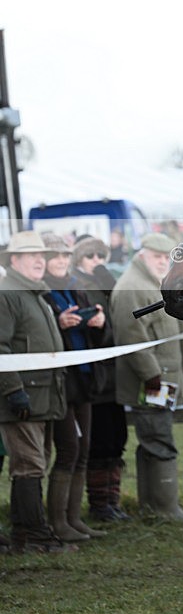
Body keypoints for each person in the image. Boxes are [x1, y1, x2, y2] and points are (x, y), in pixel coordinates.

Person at [110, 233, 183, 520]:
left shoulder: (153, 283)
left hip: (160, 381)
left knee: (153, 438)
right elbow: (130, 337)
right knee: (158, 438)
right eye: (157, 256)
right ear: (141, 255)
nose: (163, 262)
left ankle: (153, 505)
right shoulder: (132, 287)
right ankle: (165, 508)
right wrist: (151, 375)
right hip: (151, 383)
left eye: (166, 257)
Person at [0, 231, 72, 554]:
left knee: (34, 464)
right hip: (23, 397)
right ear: (14, 260)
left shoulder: (34, 294)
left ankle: (23, 534)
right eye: (32, 256)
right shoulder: (7, 294)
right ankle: (35, 536)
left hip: (43, 395)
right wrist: (13, 390)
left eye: (42, 255)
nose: (40, 261)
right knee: (29, 465)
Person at [42, 233, 107, 541]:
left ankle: (74, 519)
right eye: (54, 256)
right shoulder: (41, 293)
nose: (60, 261)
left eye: (64, 256)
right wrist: (59, 323)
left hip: (83, 380)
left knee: (83, 450)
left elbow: (102, 339)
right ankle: (58, 523)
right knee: (69, 449)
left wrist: (99, 323)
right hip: (58, 383)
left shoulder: (76, 289)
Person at [70, 236, 129, 522]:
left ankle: (113, 500)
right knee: (101, 440)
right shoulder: (77, 286)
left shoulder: (107, 281)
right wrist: (100, 326)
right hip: (95, 374)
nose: (97, 261)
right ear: (79, 259)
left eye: (100, 255)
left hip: (115, 372)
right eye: (90, 256)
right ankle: (99, 504)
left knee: (118, 437)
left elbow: (122, 316)